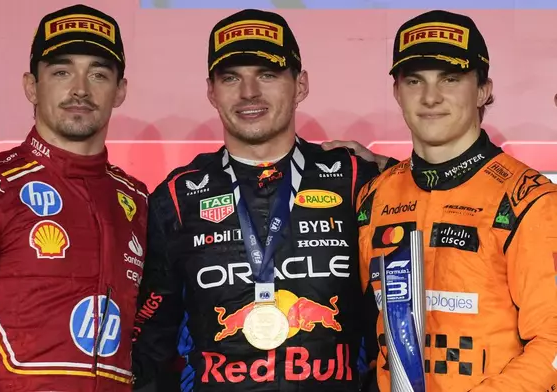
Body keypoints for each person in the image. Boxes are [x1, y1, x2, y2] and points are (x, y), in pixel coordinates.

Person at [131, 8, 389, 392]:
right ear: (211, 91)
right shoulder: (178, 195)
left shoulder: (354, 179)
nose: (249, 92)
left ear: (300, 85)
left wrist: (392, 166)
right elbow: (151, 341)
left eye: (267, 74)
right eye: (231, 77)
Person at [0, 4, 148, 391]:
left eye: (99, 74)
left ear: (120, 91)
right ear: (30, 85)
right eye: (61, 72)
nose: (80, 89)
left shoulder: (135, 198)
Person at [356, 9, 557, 392]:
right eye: (414, 81)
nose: (431, 97)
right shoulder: (374, 197)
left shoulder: (530, 201)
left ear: (483, 90)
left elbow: (553, 343)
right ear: (397, 92)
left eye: (450, 79)